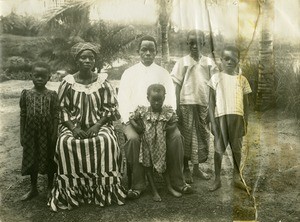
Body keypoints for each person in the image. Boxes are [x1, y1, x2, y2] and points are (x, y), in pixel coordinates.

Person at [48, 42, 126, 211]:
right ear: (77, 61)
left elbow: (110, 108)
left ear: (95, 61)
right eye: (83, 57)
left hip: (99, 124)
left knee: (106, 141)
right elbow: (62, 109)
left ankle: (104, 189)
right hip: (72, 125)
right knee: (65, 143)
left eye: (91, 58)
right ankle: (71, 191)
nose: (87, 61)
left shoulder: (103, 82)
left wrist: (97, 126)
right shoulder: (68, 83)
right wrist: (74, 129)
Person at [118, 35, 193, 200]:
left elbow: (172, 99)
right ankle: (138, 184)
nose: (147, 53)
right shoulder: (128, 73)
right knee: (133, 139)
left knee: (176, 137)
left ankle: (178, 181)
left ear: (156, 52)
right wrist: (132, 121)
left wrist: (170, 120)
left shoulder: (163, 73)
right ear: (138, 51)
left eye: (151, 50)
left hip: (161, 118)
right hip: (136, 119)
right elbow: (122, 99)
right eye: (144, 49)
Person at [171, 30, 219, 183]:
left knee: (201, 136)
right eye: (191, 43)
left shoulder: (209, 63)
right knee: (187, 137)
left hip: (202, 104)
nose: (194, 46)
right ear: (187, 44)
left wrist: (212, 105)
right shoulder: (182, 62)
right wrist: (176, 105)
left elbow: (214, 86)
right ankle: (186, 169)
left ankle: (197, 169)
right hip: (186, 104)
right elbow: (176, 85)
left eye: (198, 43)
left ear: (203, 44)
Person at [207, 46, 252, 191]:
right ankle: (217, 179)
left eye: (233, 59)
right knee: (219, 150)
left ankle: (236, 177)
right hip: (221, 119)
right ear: (221, 60)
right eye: (226, 59)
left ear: (238, 60)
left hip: (237, 119)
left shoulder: (242, 80)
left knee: (237, 150)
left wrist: (246, 121)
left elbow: (246, 103)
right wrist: (212, 122)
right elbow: (211, 102)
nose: (229, 62)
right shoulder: (216, 78)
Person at [129, 84, 182, 201]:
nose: (157, 103)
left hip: (161, 145)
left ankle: (169, 187)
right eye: (154, 100)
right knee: (148, 167)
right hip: (147, 144)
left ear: (164, 98)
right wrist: (137, 127)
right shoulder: (143, 111)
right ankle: (154, 191)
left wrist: (170, 128)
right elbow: (131, 118)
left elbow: (174, 121)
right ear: (148, 98)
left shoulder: (166, 111)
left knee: (164, 164)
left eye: (160, 100)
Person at [20, 61, 59, 201]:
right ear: (31, 76)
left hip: (47, 133)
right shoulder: (26, 94)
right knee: (32, 158)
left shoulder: (52, 95)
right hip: (31, 133)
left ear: (49, 77)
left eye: (43, 76)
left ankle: (50, 187)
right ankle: (33, 188)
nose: (40, 79)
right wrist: (22, 135)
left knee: (49, 158)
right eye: (36, 76)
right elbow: (23, 114)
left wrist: (55, 133)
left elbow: (55, 115)